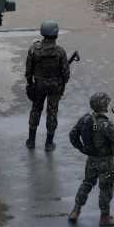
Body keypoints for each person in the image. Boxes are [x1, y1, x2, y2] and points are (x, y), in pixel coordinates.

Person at [68, 92, 114, 226]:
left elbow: (73, 135)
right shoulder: (105, 124)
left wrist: (82, 149)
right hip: (106, 162)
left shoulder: (85, 119)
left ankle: (75, 211)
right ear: (103, 104)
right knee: (106, 187)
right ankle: (105, 217)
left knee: (87, 183)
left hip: (91, 160)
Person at [25, 20, 70, 151]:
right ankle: (49, 144)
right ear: (56, 34)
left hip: (39, 85)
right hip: (55, 87)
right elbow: (66, 73)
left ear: (42, 32)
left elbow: (28, 71)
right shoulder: (60, 52)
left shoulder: (34, 49)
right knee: (52, 112)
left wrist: (30, 84)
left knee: (35, 110)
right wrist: (62, 84)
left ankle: (31, 141)